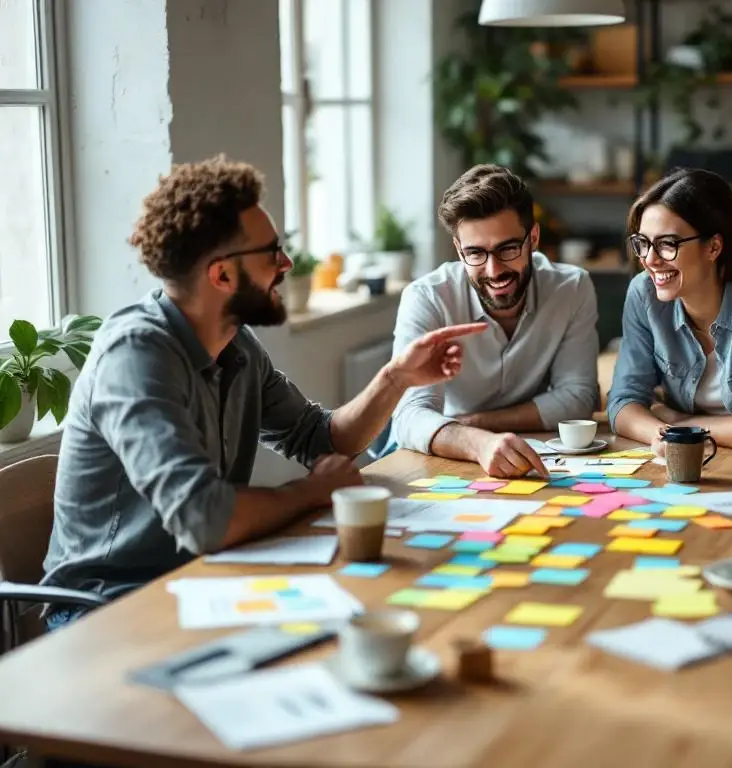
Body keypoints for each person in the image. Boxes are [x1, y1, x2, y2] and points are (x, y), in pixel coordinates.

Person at [41, 156, 485, 626]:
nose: (288, 264)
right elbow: (206, 518)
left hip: (203, 582)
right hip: (107, 609)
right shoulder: (135, 357)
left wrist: (396, 377)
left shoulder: (238, 347)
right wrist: (313, 491)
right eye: (272, 252)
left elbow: (322, 438)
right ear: (223, 276)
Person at [388, 164, 600, 478]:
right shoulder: (427, 298)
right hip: (441, 456)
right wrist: (475, 441)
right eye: (475, 253)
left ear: (534, 238)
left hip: (519, 453)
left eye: (508, 248)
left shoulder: (571, 288)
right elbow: (408, 416)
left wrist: (476, 424)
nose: (493, 270)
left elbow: (578, 399)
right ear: (459, 250)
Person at [607, 168, 732, 451]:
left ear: (714, 247)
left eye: (668, 244)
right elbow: (622, 402)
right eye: (642, 244)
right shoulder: (644, 294)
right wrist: (662, 433)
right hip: (693, 456)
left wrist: (683, 426)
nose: (650, 260)